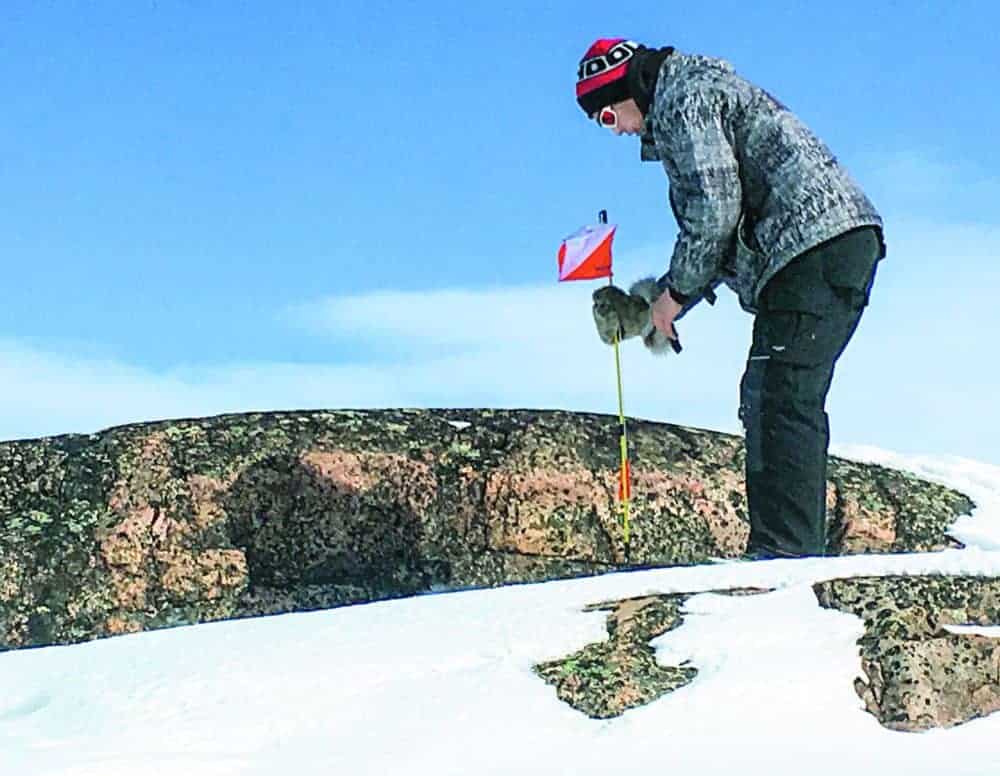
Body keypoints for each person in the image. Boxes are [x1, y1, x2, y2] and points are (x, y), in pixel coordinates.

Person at [578, 38, 886, 559]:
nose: (620, 131)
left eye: (608, 117)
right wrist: (653, 307)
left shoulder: (684, 100)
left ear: (627, 86)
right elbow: (725, 231)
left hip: (813, 246)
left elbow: (715, 209)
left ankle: (784, 554)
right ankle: (786, 548)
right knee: (775, 393)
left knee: (780, 397)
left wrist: (674, 295)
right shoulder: (692, 93)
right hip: (824, 246)